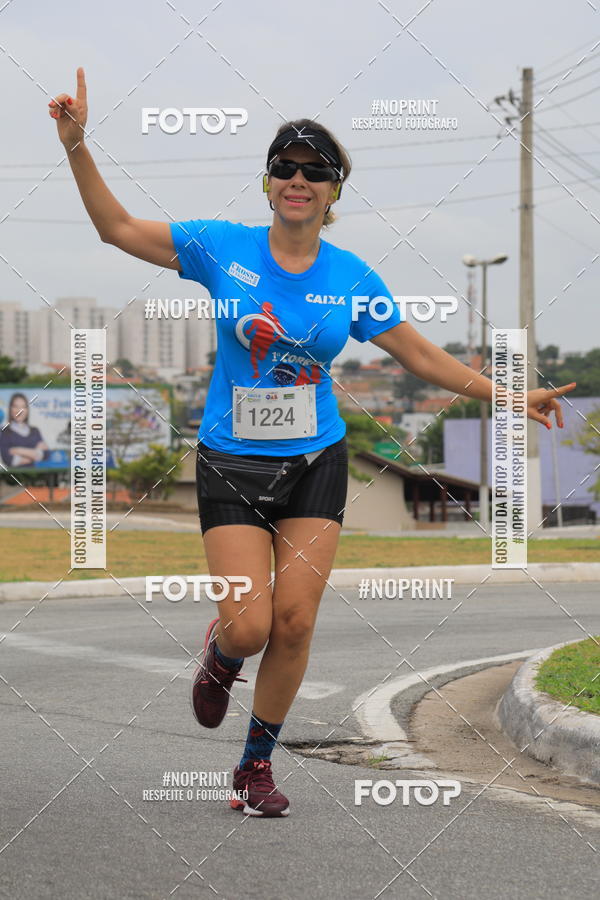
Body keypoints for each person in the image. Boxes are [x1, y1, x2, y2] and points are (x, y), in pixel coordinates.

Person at [50, 68, 576, 819]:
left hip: (315, 459)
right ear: (268, 184)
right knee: (252, 625)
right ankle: (222, 649)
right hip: (231, 458)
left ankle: (255, 764)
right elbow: (117, 228)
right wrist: (76, 147)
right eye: (285, 168)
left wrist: (512, 395)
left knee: (295, 622)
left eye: (316, 172)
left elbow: (423, 359)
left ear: (333, 194)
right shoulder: (219, 249)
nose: (298, 180)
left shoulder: (351, 276)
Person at [0, 393, 48, 469]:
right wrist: (35, 453)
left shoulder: (35, 431)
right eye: (16, 406)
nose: (20, 411)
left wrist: (17, 450)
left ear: (27, 410)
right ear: (10, 409)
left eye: (23, 407)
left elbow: (45, 454)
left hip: (36, 476)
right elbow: (9, 460)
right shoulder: (4, 431)